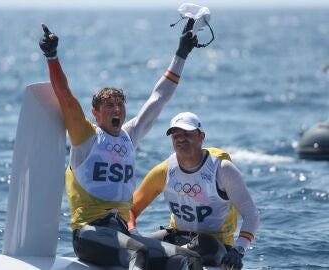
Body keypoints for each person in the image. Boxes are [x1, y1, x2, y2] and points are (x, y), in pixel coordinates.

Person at [39, 19, 205, 270]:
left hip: (122, 233)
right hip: (89, 234)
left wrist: (181, 53)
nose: (117, 110)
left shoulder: (130, 135)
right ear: (95, 113)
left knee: (189, 258)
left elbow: (159, 98)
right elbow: (65, 97)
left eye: (120, 105)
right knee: (138, 252)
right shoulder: (86, 137)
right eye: (109, 105)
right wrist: (52, 56)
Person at [129, 112, 260, 270]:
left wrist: (238, 250)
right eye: (175, 135)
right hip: (176, 238)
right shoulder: (164, 170)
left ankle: (163, 257)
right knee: (133, 246)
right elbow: (131, 209)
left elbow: (251, 214)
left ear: (201, 136)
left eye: (187, 134)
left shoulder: (223, 169)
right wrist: (133, 233)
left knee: (204, 243)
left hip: (213, 246)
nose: (181, 139)